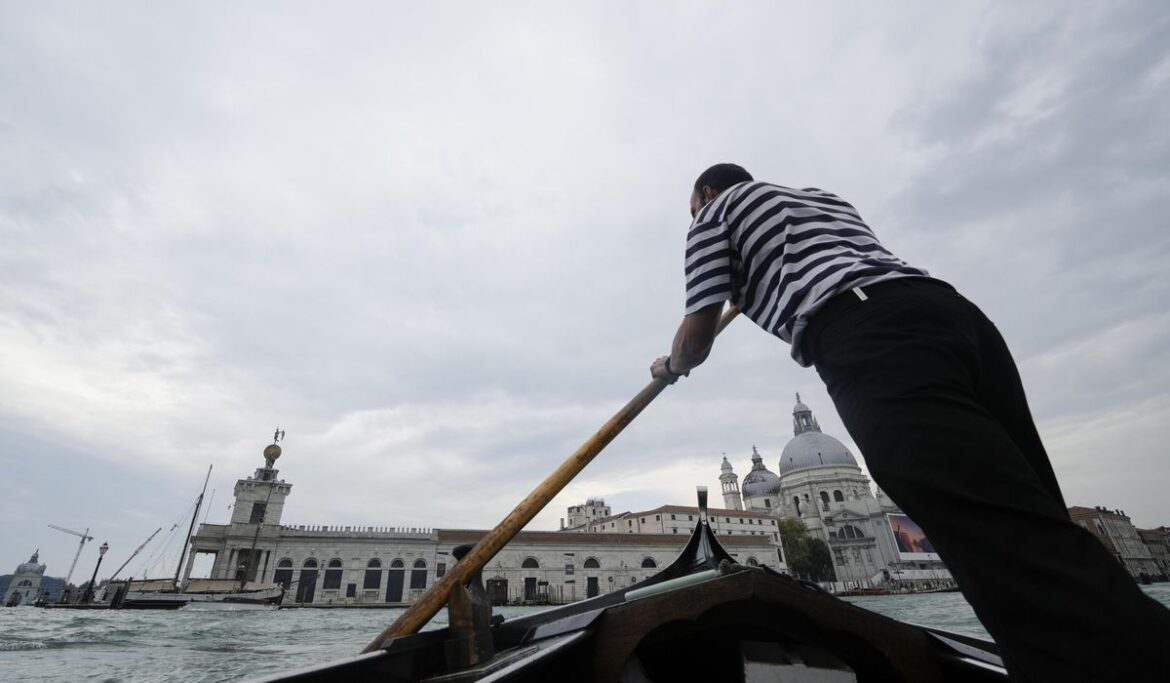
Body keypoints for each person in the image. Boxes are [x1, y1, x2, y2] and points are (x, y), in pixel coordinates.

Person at [651, 163, 1170, 681]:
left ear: (708, 192)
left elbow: (696, 337)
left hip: (870, 336)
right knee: (1033, 517)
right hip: (953, 317)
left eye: (693, 208)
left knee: (1000, 542)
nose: (694, 217)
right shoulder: (820, 199)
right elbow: (807, 263)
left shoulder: (714, 214)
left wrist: (670, 366)